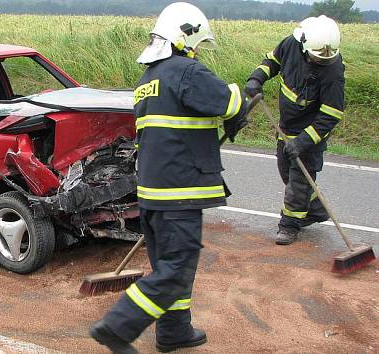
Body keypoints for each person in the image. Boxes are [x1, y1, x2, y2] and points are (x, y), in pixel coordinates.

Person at [89, 3, 249, 353]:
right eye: (196, 43)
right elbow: (228, 101)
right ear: (186, 36)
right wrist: (246, 94)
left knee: (171, 264)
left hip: (152, 193)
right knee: (176, 269)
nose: (197, 50)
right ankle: (117, 327)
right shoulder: (186, 72)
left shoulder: (147, 80)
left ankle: (175, 331)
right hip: (179, 192)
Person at [244, 15, 344, 245]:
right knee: (287, 173)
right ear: (304, 45)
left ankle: (289, 225)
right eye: (316, 58)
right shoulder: (290, 44)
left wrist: (302, 142)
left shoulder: (333, 70)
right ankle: (316, 209)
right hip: (285, 127)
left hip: (310, 135)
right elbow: (271, 61)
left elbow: (331, 115)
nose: (321, 62)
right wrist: (256, 78)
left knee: (298, 181)